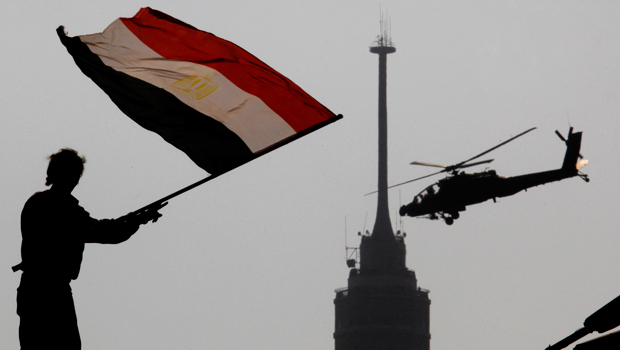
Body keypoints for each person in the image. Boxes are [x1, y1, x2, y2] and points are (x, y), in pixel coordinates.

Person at [13, 148, 163, 349]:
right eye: (71, 173)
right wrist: (134, 221)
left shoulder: (52, 205)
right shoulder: (51, 206)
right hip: (44, 290)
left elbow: (98, 229)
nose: (73, 179)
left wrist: (134, 220)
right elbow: (98, 231)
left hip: (44, 289)